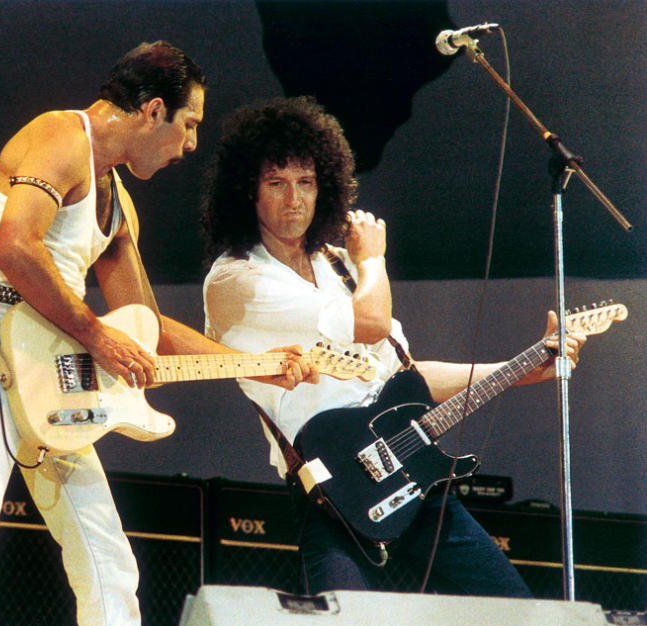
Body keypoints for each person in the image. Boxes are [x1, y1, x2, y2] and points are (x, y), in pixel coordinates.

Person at [0, 43, 313, 626]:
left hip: (57, 367)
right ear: (152, 111)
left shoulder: (116, 201)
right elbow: (11, 245)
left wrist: (258, 365)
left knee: (107, 560)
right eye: (188, 124)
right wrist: (97, 336)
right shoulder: (60, 135)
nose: (191, 145)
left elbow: (143, 324)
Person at [201, 96, 585, 597]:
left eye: (306, 182)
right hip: (332, 491)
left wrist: (524, 366)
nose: (294, 198)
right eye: (276, 183)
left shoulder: (339, 265)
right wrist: (375, 259)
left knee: (517, 612)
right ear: (247, 192)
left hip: (410, 474)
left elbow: (406, 378)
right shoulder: (237, 279)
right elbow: (372, 322)